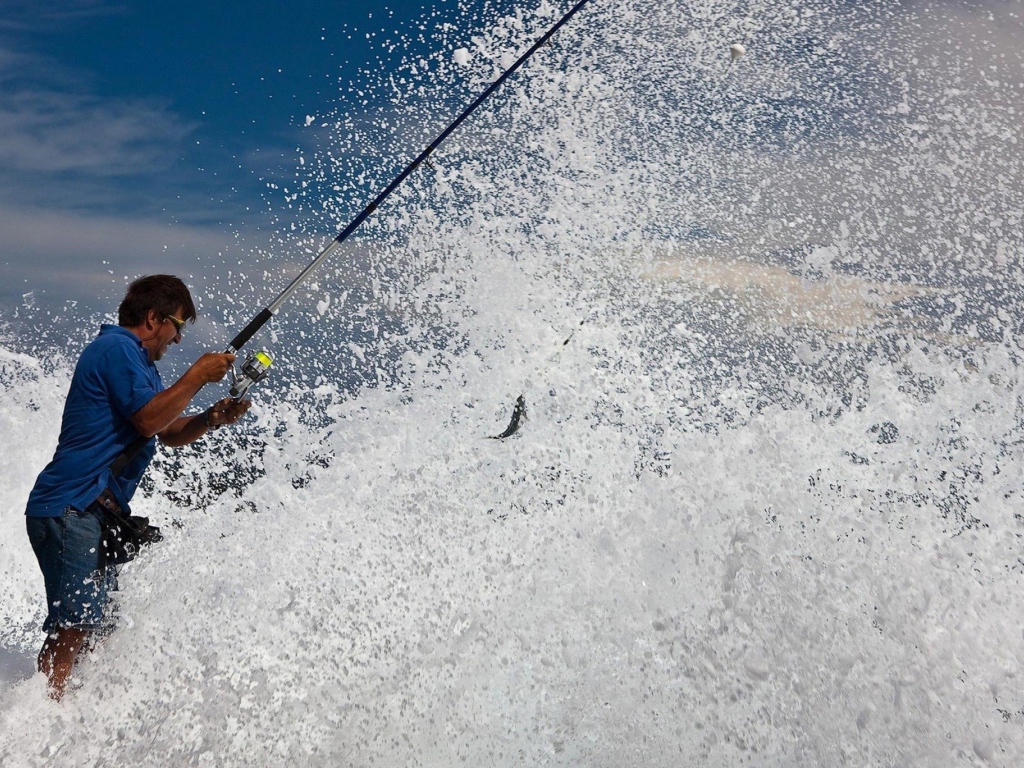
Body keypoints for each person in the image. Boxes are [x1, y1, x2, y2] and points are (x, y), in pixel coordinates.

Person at [24, 275, 251, 700]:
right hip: (72, 507)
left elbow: (165, 430)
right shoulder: (117, 349)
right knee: (73, 627)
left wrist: (210, 418)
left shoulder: (138, 364)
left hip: (93, 514)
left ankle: (67, 715)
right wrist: (197, 375)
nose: (179, 339)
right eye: (178, 326)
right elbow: (149, 421)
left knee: (95, 630)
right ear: (154, 318)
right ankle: (40, 716)